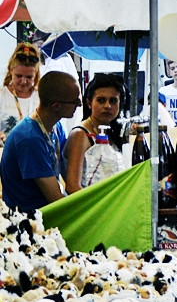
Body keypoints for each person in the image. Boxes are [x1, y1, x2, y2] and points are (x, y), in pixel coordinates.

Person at [0, 72, 80, 213]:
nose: (79, 105)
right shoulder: (29, 139)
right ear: (56, 106)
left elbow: (70, 179)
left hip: (45, 212)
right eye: (74, 101)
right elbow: (55, 198)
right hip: (28, 223)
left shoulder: (56, 127)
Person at [64, 73, 126, 194]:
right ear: (89, 103)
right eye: (101, 100)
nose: (107, 106)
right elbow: (72, 187)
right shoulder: (80, 134)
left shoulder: (113, 133)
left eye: (113, 101)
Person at [1, 43, 42, 143]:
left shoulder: (41, 97)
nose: (23, 82)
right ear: (11, 70)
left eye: (29, 77)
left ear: (35, 75)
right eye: (19, 76)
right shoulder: (2, 95)